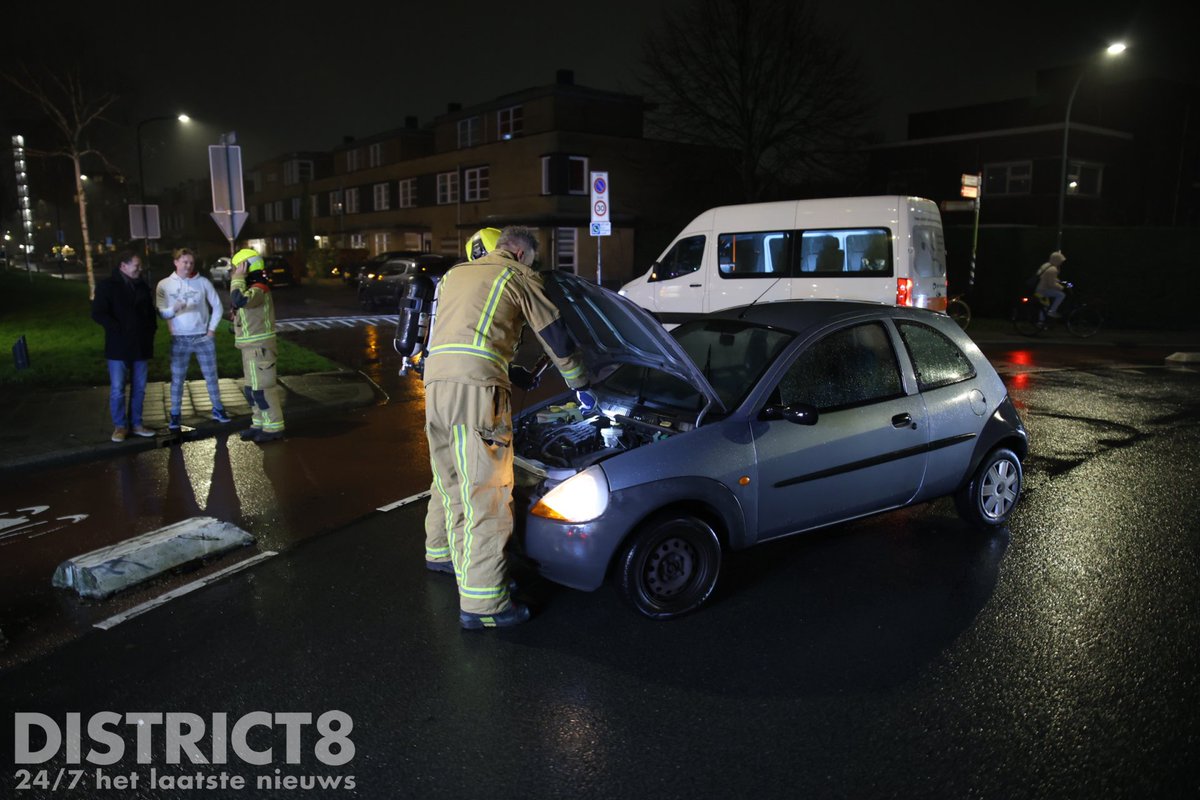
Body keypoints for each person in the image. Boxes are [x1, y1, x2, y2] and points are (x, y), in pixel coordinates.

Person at [422, 225, 592, 630]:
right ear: (519, 253)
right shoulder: (515, 275)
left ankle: (443, 554)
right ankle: (484, 606)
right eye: (531, 261)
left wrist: (510, 368)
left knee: (451, 482)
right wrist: (582, 384)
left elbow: (465, 334)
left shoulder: (455, 275)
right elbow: (554, 334)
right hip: (477, 393)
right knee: (487, 495)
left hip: (435, 387)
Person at [155, 247, 230, 430]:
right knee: (178, 378)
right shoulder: (164, 284)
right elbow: (161, 312)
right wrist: (174, 309)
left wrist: (211, 330)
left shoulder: (203, 282)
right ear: (176, 262)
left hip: (203, 337)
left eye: (191, 262)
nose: (188, 265)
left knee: (211, 375)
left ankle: (218, 409)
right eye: (184, 262)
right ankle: (175, 414)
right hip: (180, 338)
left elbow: (218, 306)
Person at [91, 250, 159, 442]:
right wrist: (117, 328)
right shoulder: (107, 286)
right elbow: (98, 313)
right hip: (118, 345)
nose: (140, 269)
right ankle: (120, 426)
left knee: (139, 387)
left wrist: (150, 330)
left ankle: (136, 424)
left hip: (140, 345)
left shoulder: (142, 286)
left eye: (140, 266)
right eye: (136, 266)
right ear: (123, 266)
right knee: (118, 387)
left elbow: (149, 313)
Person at [229, 249, 285, 442]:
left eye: (237, 267)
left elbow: (239, 299)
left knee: (263, 390)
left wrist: (237, 279)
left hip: (260, 349)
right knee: (252, 391)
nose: (234, 271)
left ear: (245, 266)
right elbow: (245, 313)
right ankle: (259, 423)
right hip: (250, 348)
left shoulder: (260, 288)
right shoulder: (253, 289)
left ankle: (273, 428)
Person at [1035, 251, 1067, 317]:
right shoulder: (1053, 269)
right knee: (1061, 295)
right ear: (1057, 260)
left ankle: (1040, 323)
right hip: (1043, 290)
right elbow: (1051, 284)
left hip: (1038, 289)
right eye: (1060, 261)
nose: (1061, 263)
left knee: (1045, 306)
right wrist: (1062, 287)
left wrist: (1058, 281)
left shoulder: (1046, 265)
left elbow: (1046, 277)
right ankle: (1052, 311)